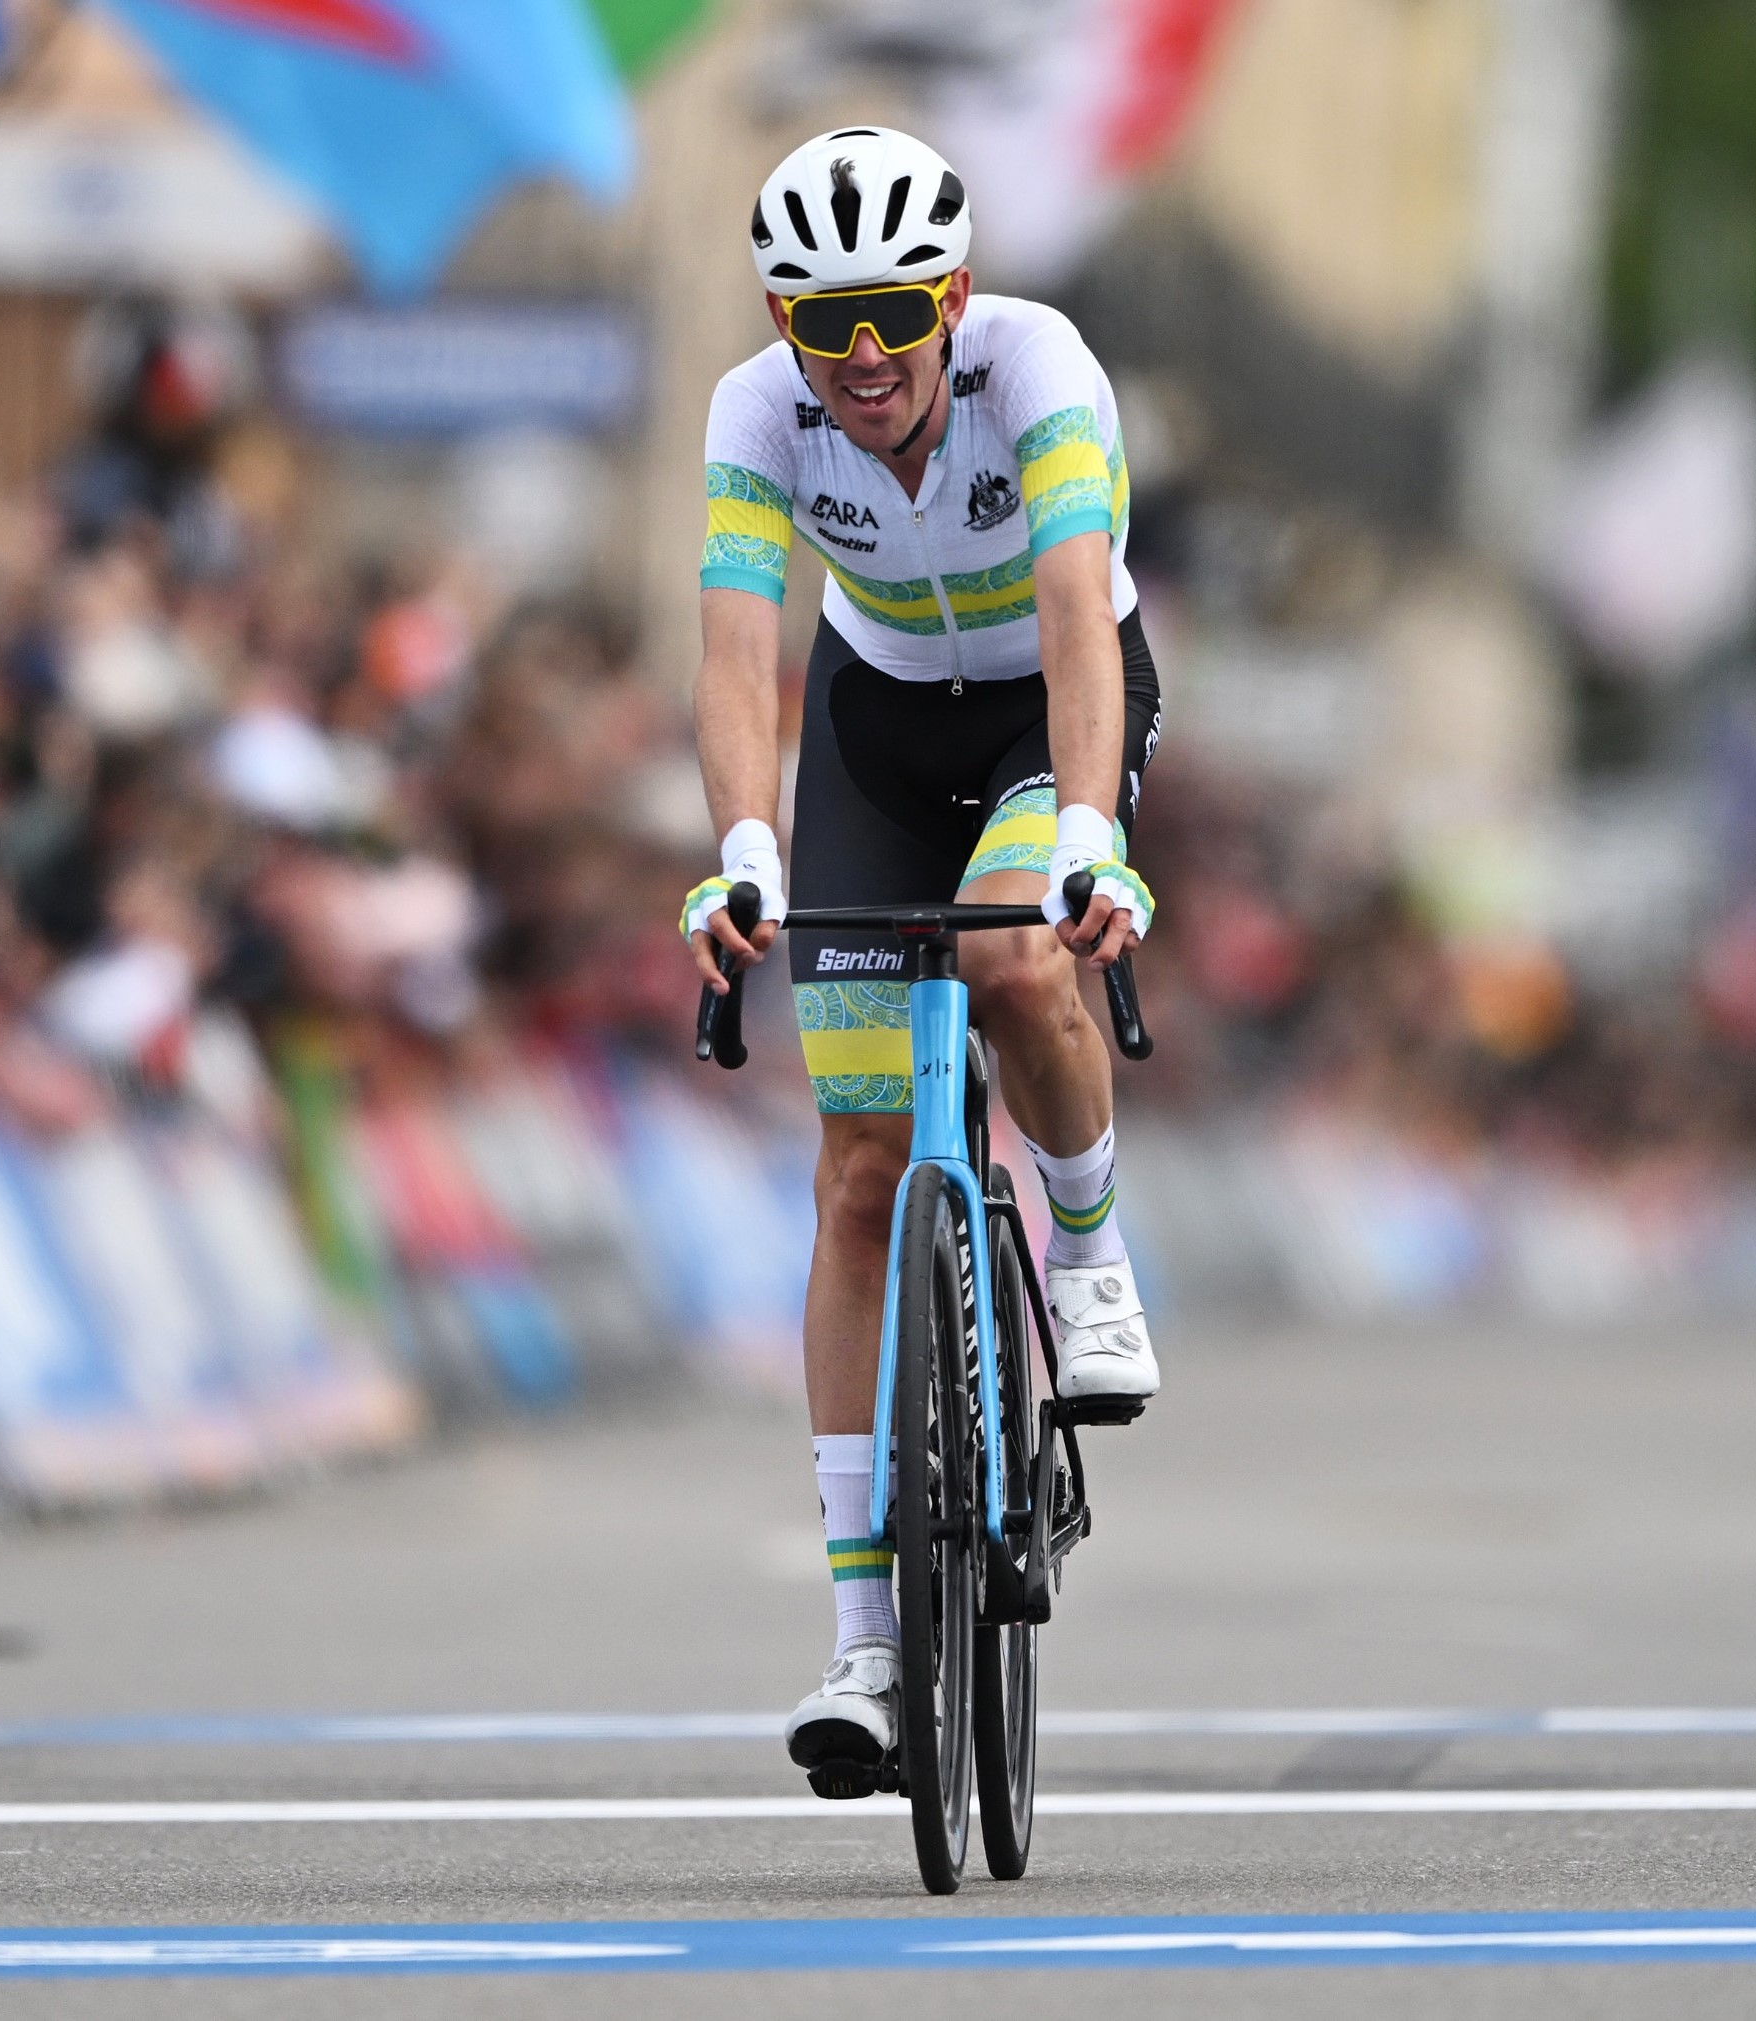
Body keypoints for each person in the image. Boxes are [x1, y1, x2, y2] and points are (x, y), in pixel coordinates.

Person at [679, 128, 1163, 1794]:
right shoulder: (755, 414)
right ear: (784, 326)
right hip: (874, 731)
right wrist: (745, 843)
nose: (867, 353)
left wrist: (1091, 829)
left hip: (1048, 709)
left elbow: (1080, 613)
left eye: (895, 311)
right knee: (859, 1177)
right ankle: (868, 1654)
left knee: (1027, 964)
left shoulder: (1041, 372)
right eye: (827, 324)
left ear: (952, 295)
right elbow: (742, 650)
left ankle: (1091, 1260)